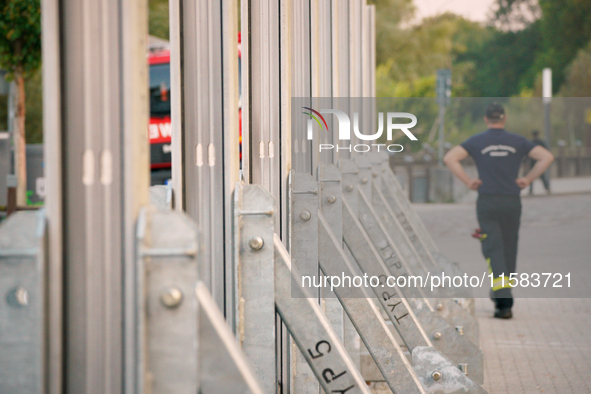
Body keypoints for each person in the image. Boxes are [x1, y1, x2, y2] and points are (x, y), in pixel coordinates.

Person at [443, 102, 554, 319]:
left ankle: (503, 303)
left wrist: (468, 181)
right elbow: (546, 157)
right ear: (504, 119)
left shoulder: (477, 141)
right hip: (512, 201)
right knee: (509, 247)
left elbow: (450, 158)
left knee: (494, 249)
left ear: (486, 120)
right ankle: (501, 293)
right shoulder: (518, 141)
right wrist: (527, 179)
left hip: (487, 201)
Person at [528, 130, 551, 194]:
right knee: (542, 175)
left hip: (533, 161)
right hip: (540, 161)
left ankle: (531, 190)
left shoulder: (531, 142)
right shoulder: (541, 142)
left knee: (531, 175)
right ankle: (547, 188)